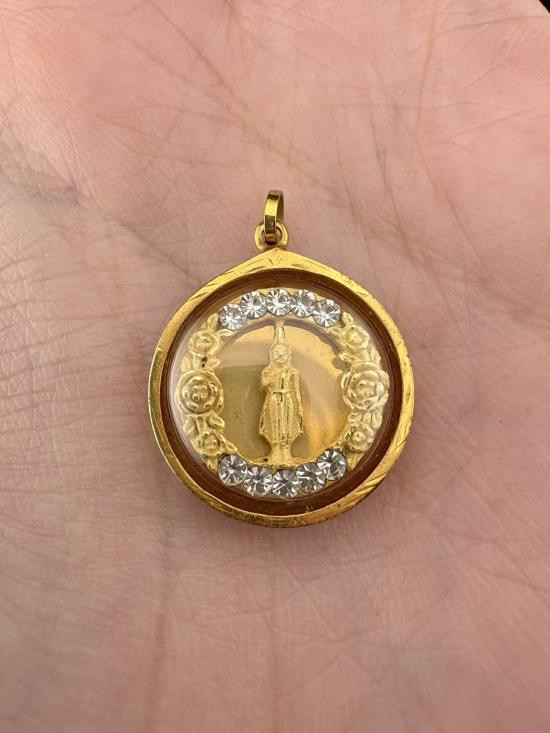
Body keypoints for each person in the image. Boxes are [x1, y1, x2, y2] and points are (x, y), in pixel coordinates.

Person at [1, 2, 550, 731]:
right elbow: (262, 379)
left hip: (297, 417)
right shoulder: (238, 357)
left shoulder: (315, 352)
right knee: (276, 422)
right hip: (270, 419)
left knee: (287, 423)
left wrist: (287, 376)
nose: (283, 350)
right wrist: (275, 379)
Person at [259, 323, 303, 464]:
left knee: (287, 426)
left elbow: (296, 391)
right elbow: (263, 387)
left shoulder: (293, 371)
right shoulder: (267, 371)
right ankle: (275, 452)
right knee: (273, 425)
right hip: (272, 399)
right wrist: (266, 382)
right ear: (271, 355)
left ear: (288, 355)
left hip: (288, 400)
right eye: (276, 352)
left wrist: (299, 406)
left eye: (283, 352)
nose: (280, 355)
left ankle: (287, 453)